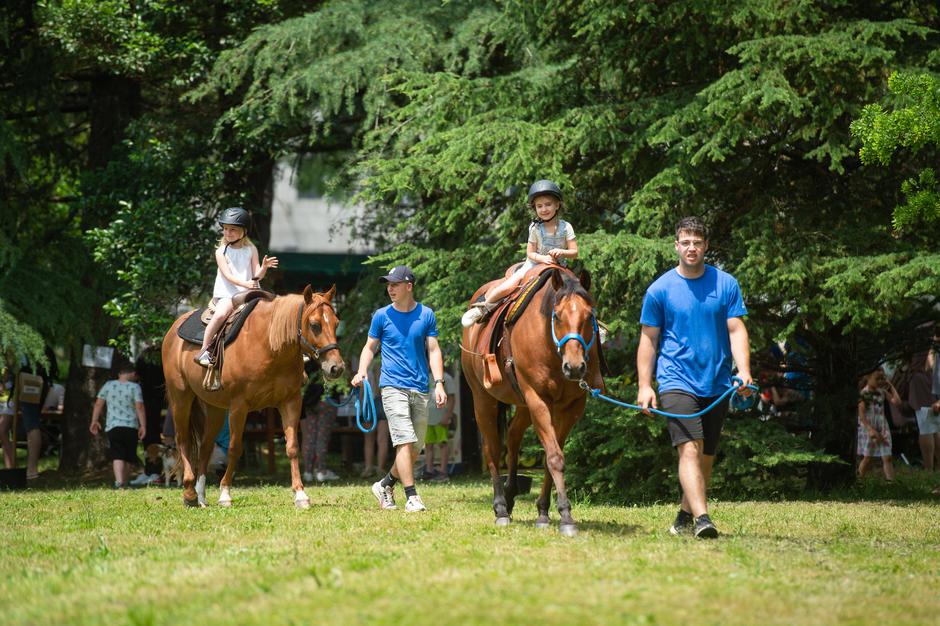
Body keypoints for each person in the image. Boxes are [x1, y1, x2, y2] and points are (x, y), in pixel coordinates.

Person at [636, 216, 753, 539]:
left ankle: (684, 516)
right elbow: (649, 339)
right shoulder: (659, 289)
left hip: (716, 382)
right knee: (690, 448)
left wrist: (743, 370)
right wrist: (645, 386)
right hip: (675, 379)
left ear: (706, 246)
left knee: (705, 458)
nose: (691, 248)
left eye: (697, 243)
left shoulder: (725, 284)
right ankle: (703, 519)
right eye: (685, 242)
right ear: (676, 246)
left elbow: (736, 329)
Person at [351, 265, 447, 512]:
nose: (390, 289)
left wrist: (439, 383)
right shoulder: (381, 316)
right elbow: (370, 347)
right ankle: (412, 496)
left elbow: (434, 350)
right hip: (392, 386)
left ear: (409, 286)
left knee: (415, 448)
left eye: (395, 284)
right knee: (404, 441)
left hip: (420, 387)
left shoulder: (426, 314)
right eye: (388, 285)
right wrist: (362, 371)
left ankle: (385, 484)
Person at [461, 179, 578, 327]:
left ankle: (593, 323)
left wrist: (562, 251)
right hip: (534, 264)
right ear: (534, 208)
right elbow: (530, 253)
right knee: (511, 284)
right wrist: (542, 258)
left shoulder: (566, 227)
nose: (544, 209)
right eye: (539, 206)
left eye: (548, 204)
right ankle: (484, 307)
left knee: (577, 289)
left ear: (557, 205)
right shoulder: (535, 228)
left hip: (558, 266)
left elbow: (574, 252)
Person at [195, 207, 278, 366]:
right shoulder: (221, 252)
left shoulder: (251, 249)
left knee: (275, 309)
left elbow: (257, 276)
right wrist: (246, 283)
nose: (227, 233)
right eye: (225, 229)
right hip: (228, 294)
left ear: (244, 231)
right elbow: (228, 275)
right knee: (220, 315)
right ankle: (204, 350)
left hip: (249, 293)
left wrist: (264, 267)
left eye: (233, 229)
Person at [90, 363, 146, 489]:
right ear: (132, 373)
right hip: (131, 426)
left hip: (113, 425)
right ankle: (124, 482)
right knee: (129, 455)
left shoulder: (108, 385)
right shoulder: (135, 387)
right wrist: (143, 425)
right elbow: (139, 407)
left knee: (118, 454)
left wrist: (94, 420)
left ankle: (119, 482)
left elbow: (98, 404)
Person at [857, 368, 902, 481]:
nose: (880, 381)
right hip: (869, 427)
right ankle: (859, 480)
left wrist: (890, 385)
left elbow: (897, 402)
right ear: (868, 377)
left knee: (887, 457)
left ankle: (890, 482)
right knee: (868, 458)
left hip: (882, 426)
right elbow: (861, 414)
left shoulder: (882, 392)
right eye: (877, 379)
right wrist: (870, 429)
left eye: (882, 378)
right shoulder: (864, 393)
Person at [300, 372, 340, 483]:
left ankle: (308, 471)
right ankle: (321, 471)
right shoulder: (329, 356)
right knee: (322, 438)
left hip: (310, 400)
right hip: (326, 400)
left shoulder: (307, 357)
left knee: (310, 438)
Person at [908, 353, 940, 471]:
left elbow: (931, 361)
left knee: (926, 426)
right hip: (927, 377)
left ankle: (929, 469)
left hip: (923, 376)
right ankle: (933, 469)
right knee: (935, 428)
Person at [422, 370, 456, 481]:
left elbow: (451, 399)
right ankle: (429, 470)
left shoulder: (447, 377)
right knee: (428, 445)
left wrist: (448, 416)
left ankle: (443, 471)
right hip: (428, 417)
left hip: (441, 417)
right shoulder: (425, 376)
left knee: (442, 443)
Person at [361, 357, 391, 478]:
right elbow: (380, 386)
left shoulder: (364, 364)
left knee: (369, 438)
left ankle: (368, 467)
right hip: (381, 402)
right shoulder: (382, 361)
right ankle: (380, 468)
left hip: (368, 402)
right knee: (382, 439)